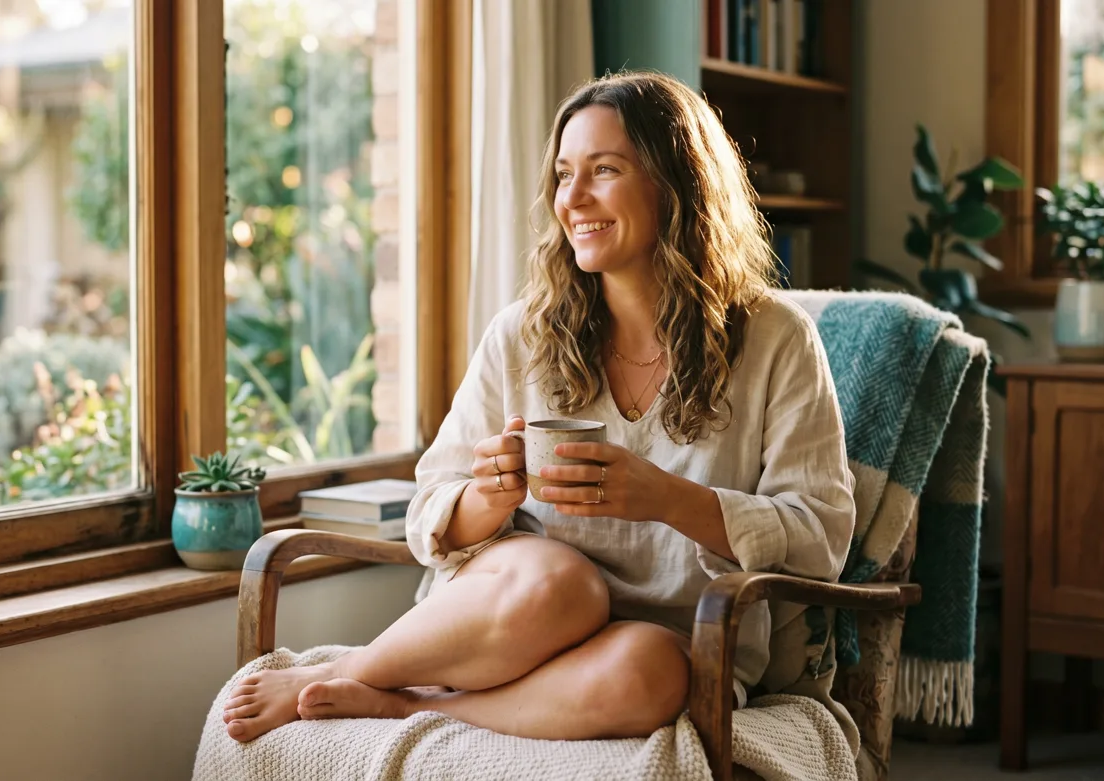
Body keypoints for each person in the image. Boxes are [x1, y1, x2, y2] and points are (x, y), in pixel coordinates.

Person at [222, 70, 855, 744]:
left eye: (603, 170)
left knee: (653, 670)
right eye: (562, 174)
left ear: (676, 184)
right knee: (565, 580)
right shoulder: (524, 333)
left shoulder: (776, 340)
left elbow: (820, 535)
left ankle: (400, 705)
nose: (572, 198)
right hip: (518, 615)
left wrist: (669, 498)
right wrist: (488, 497)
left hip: (659, 637)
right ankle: (360, 667)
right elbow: (431, 505)